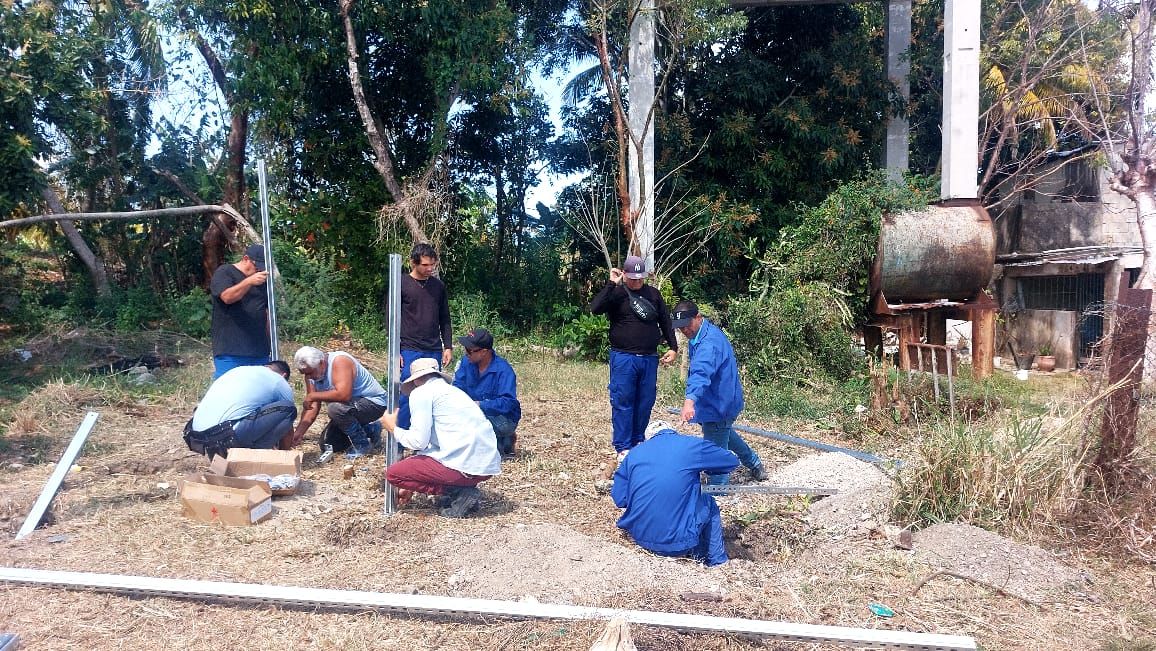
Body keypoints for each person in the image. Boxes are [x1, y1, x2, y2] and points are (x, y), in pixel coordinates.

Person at [379, 358, 502, 518]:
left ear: (416, 379)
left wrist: (393, 429)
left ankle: (460, 492)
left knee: (394, 473)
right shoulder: (454, 392)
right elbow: (429, 446)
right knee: (417, 461)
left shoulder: (421, 393)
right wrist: (413, 482)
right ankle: (460, 492)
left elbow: (418, 441)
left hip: (466, 465)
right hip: (486, 464)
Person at [611, 420, 738, 566]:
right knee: (708, 502)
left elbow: (620, 499)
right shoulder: (691, 445)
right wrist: (709, 469)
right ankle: (717, 562)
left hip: (640, 538)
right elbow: (731, 461)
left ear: (649, 438)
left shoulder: (634, 454)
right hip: (678, 543)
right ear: (673, 431)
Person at [588, 255, 678, 458]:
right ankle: (622, 446)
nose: (637, 282)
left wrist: (673, 347)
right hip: (623, 358)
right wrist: (611, 283)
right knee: (623, 401)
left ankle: (638, 440)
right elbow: (595, 308)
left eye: (640, 278)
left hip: (649, 358)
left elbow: (665, 321)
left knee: (645, 401)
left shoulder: (654, 294)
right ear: (625, 274)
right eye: (633, 278)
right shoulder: (617, 294)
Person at [673, 301, 768, 485]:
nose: (684, 330)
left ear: (698, 318)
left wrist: (690, 401)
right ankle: (755, 464)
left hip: (719, 404)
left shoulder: (709, 343)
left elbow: (701, 372)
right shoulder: (702, 333)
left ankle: (719, 489)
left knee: (714, 453)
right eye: (680, 327)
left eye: (687, 325)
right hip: (719, 401)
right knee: (724, 433)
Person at [184, 361, 297, 458]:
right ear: (284, 375)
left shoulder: (239, 371)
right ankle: (251, 455)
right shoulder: (279, 381)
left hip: (196, 436)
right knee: (289, 409)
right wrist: (284, 454)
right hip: (225, 436)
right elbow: (288, 431)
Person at [290, 346, 388, 459]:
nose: (308, 377)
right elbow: (313, 406)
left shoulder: (340, 361)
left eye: (310, 373)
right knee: (329, 443)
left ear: (321, 363)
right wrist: (299, 432)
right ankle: (371, 430)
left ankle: (362, 445)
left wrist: (312, 395)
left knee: (335, 408)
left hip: (373, 404)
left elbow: (343, 395)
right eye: (305, 374)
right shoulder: (312, 373)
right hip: (350, 408)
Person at [396, 242, 453, 429]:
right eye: (425, 265)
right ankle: (401, 442)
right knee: (407, 394)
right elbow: (391, 319)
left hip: (433, 349)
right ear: (413, 263)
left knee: (433, 396)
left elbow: (445, 318)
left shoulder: (438, 286)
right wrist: (395, 352)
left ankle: (427, 441)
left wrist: (448, 346)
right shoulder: (401, 284)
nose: (430, 268)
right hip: (409, 349)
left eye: (432, 264)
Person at [452, 327, 521, 459]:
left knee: (475, 426)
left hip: (503, 417)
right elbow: (457, 386)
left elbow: (508, 403)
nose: (466, 353)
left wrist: (480, 405)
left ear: (484, 352)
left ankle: (503, 437)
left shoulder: (503, 370)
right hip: (475, 412)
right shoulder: (466, 362)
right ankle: (501, 441)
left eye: (469, 350)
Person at [210, 243, 271, 379]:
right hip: (231, 350)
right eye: (256, 267)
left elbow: (266, 313)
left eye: (262, 269)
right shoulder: (225, 272)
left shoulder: (261, 281)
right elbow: (227, 297)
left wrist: (270, 344)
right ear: (245, 259)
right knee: (229, 391)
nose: (258, 271)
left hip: (259, 351)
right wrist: (248, 282)